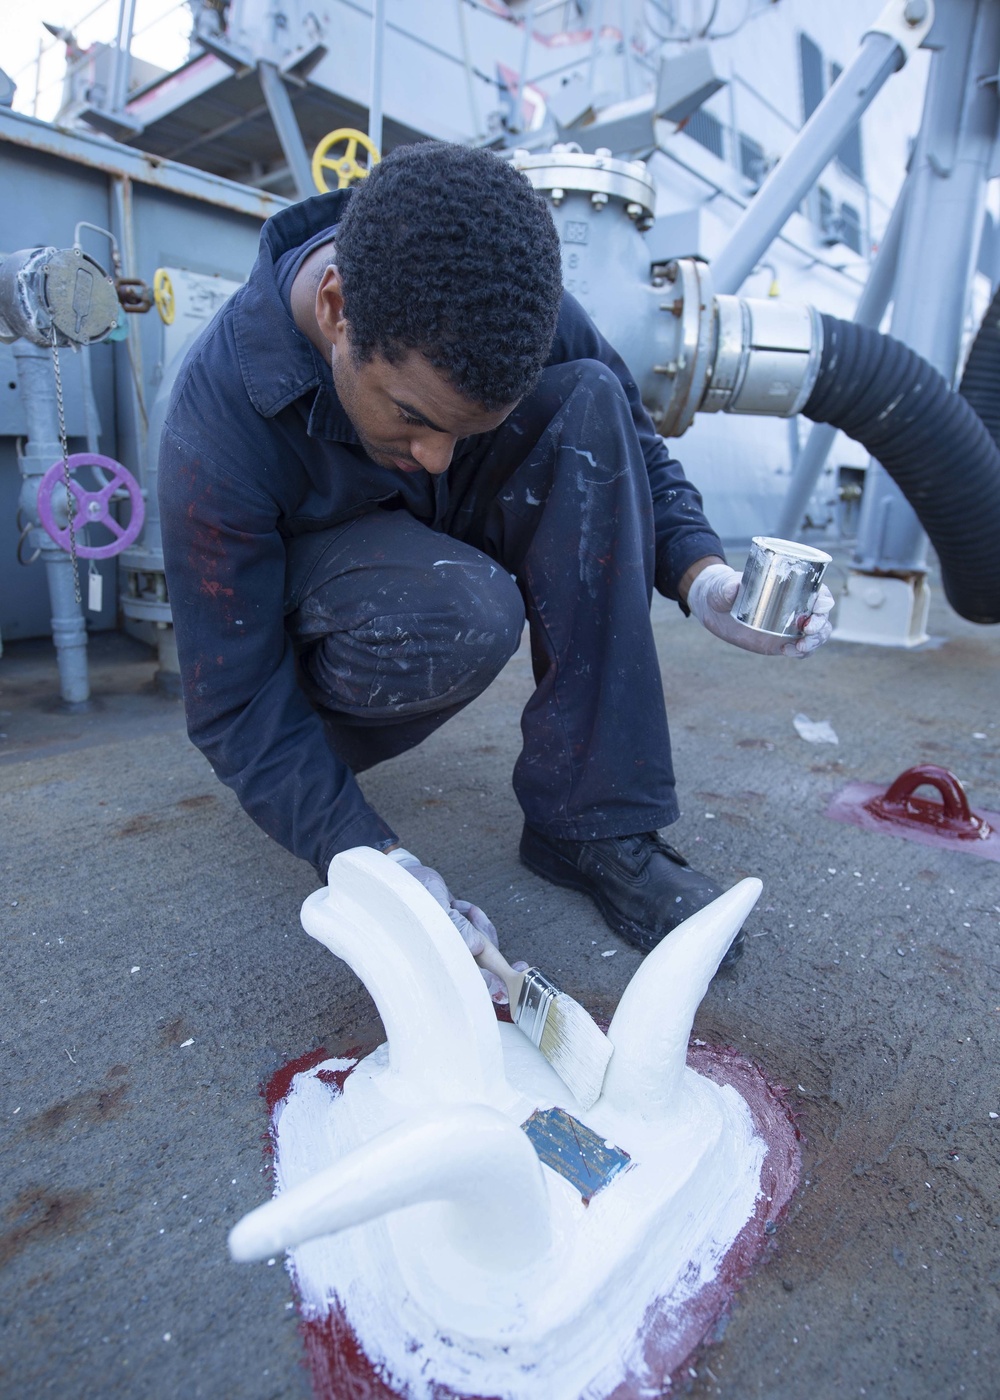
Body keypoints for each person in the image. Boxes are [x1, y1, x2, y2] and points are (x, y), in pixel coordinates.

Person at [159, 141, 832, 978]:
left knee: (587, 400)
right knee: (463, 610)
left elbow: (629, 434)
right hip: (325, 678)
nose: (436, 456)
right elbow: (232, 701)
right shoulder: (217, 420)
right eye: (410, 414)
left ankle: (589, 826)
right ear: (335, 307)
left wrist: (705, 577)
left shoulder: (511, 307)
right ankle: (322, 791)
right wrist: (372, 860)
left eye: (464, 430)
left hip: (433, 561)